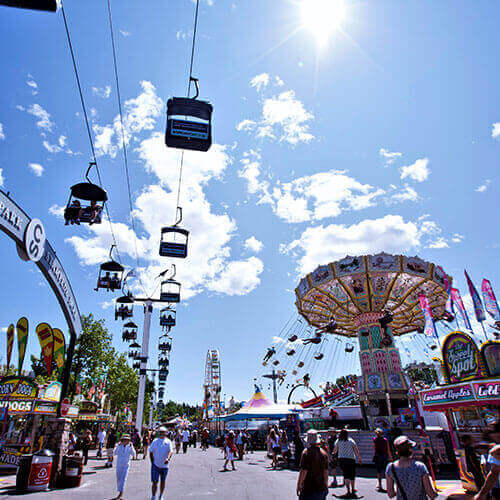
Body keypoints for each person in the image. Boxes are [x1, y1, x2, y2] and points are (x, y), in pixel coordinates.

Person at [386, 435, 437, 500]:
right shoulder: (420, 466)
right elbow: (431, 494)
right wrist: (435, 492)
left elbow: (390, 494)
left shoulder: (391, 467)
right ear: (410, 450)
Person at [296, 429, 329, 500]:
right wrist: (326, 485)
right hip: (320, 487)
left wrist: (299, 485)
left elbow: (303, 471)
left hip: (308, 488)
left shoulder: (306, 453)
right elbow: (325, 471)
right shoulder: (324, 453)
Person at [474, 420, 500, 500]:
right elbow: (494, 472)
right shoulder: (494, 450)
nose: (492, 435)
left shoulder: (495, 450)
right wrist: (482, 493)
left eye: (493, 432)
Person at [333, 428, 362, 498]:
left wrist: (334, 455)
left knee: (346, 475)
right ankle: (352, 490)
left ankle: (348, 491)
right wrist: (359, 458)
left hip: (342, 459)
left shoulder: (338, 441)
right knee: (352, 475)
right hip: (351, 459)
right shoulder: (351, 440)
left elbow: (335, 451)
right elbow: (356, 449)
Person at [150, 427, 173, 500]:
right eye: (161, 432)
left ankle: (160, 495)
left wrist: (168, 458)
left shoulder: (168, 441)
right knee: (155, 482)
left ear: (166, 433)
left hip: (165, 466)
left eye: (164, 432)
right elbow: (151, 452)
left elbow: (170, 451)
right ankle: (153, 496)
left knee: (163, 481)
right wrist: (152, 462)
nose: (162, 433)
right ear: (158, 433)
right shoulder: (155, 441)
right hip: (155, 465)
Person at [114, 433, 136, 500]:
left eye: (127, 440)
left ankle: (121, 493)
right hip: (119, 463)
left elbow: (134, 454)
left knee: (123, 478)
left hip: (126, 464)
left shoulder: (130, 446)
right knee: (119, 478)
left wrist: (131, 447)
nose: (125, 441)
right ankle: (119, 490)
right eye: (124, 440)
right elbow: (115, 453)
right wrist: (117, 446)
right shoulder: (119, 445)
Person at [373, 428, 392, 492]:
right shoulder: (385, 440)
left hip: (378, 456)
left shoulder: (374, 440)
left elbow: (374, 448)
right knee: (386, 471)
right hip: (384, 456)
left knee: (379, 471)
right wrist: (390, 457)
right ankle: (389, 485)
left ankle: (380, 485)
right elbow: (388, 449)